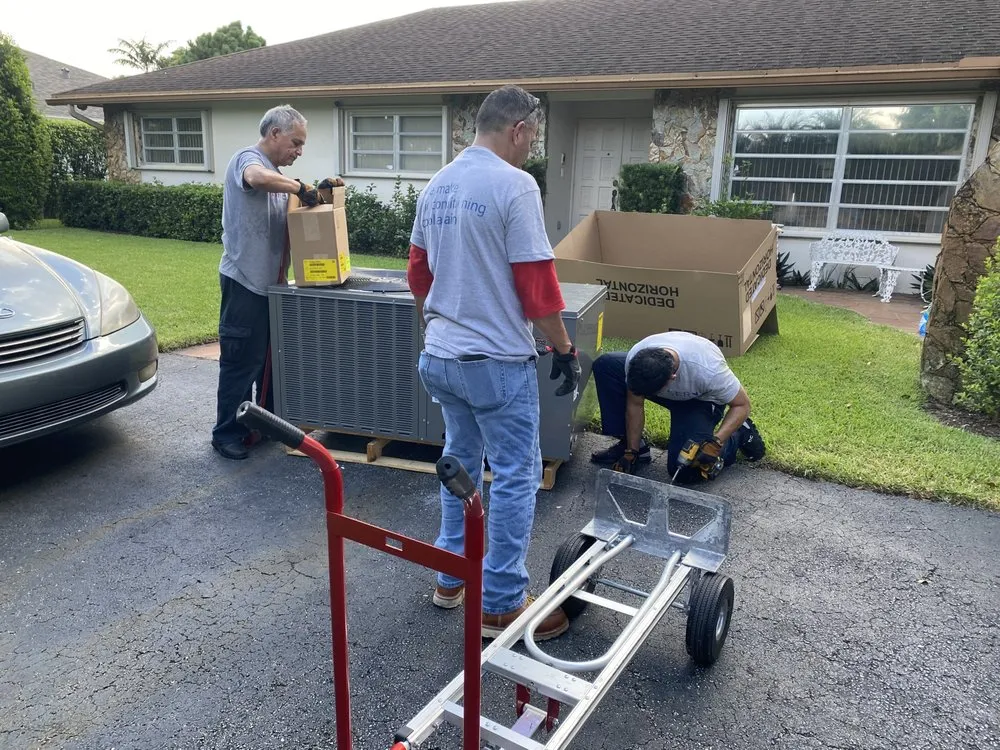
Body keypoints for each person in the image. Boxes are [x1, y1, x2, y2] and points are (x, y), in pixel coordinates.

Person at [407, 85, 581, 641]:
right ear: (520, 129)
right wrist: (565, 347)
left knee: (459, 460)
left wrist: (437, 329)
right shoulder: (515, 185)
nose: (531, 148)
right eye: (532, 137)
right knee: (516, 474)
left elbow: (418, 275)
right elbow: (536, 284)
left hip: (441, 357)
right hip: (494, 363)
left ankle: (450, 577)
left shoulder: (438, 185)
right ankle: (501, 601)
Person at [211, 104, 343, 460]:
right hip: (244, 282)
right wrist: (301, 186)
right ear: (274, 134)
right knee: (242, 362)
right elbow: (256, 179)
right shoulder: (248, 160)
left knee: (272, 360)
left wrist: (319, 190)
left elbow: (296, 212)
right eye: (296, 142)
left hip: (272, 286)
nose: (299, 151)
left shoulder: (278, 174)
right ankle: (227, 433)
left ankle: (266, 424)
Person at [590, 331, 766, 481]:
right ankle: (634, 447)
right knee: (606, 365)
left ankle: (739, 434)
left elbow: (742, 405)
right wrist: (631, 451)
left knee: (685, 471)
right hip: (660, 382)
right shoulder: (637, 360)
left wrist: (716, 443)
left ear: (672, 379)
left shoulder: (708, 371)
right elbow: (634, 404)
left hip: (700, 401)